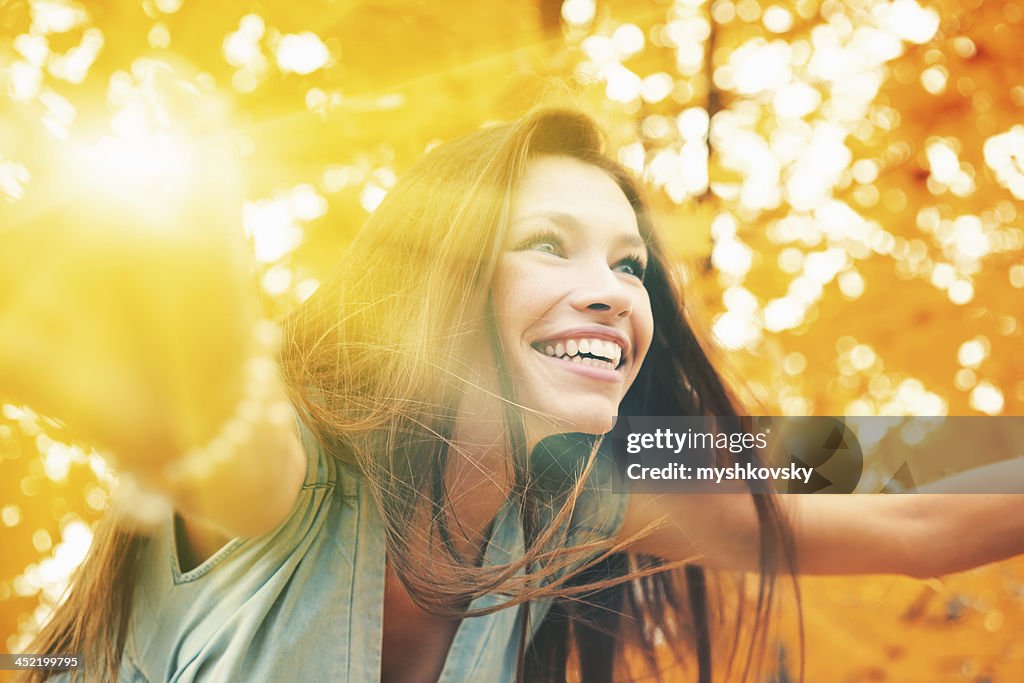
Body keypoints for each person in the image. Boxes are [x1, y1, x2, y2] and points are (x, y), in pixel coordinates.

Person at [9, 109, 1024, 683]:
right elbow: (229, 437)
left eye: (631, 268)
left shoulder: (591, 491)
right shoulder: (302, 469)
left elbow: (922, 496)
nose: (612, 291)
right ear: (443, 275)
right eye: (548, 244)